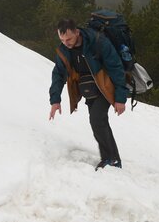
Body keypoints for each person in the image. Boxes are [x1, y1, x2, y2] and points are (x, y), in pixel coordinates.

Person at [49, 19, 128, 169]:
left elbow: (116, 68)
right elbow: (58, 75)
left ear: (77, 32)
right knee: (98, 122)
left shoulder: (98, 42)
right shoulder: (64, 50)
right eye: (62, 40)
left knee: (97, 120)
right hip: (88, 90)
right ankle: (110, 159)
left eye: (69, 39)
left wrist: (120, 98)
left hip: (105, 87)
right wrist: (55, 100)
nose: (66, 43)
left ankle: (112, 160)